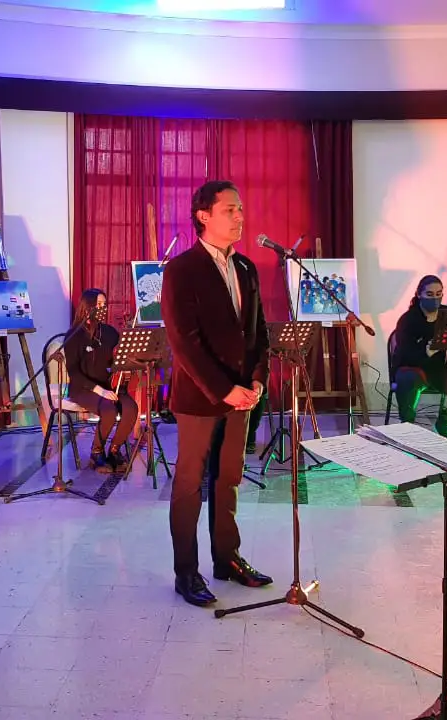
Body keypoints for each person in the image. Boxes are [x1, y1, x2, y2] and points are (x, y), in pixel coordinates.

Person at [162, 180, 272, 607]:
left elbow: (258, 332)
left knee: (229, 479)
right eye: (230, 209)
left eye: (240, 208)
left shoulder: (246, 267)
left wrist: (257, 379)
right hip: (201, 397)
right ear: (203, 215)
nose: (240, 216)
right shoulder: (181, 269)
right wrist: (224, 390)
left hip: (242, 396)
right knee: (189, 485)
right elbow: (184, 343)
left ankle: (227, 558)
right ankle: (186, 572)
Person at [390, 275, 447, 438]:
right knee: (407, 379)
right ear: (419, 294)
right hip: (413, 367)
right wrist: (426, 352)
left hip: (440, 369)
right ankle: (407, 427)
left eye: (439, 294)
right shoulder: (408, 319)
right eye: (429, 294)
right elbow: (405, 353)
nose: (435, 298)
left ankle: (445, 423)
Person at [62, 288, 138, 473]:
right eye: (99, 305)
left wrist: (126, 362)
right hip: (84, 388)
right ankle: (97, 453)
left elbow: (120, 357)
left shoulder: (109, 332)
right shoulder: (74, 335)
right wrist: (99, 390)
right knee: (109, 409)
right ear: (87, 307)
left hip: (109, 385)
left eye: (105, 305)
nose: (103, 308)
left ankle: (114, 450)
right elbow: (74, 372)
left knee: (131, 408)